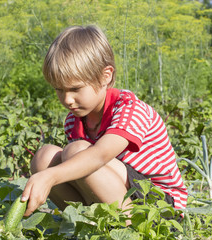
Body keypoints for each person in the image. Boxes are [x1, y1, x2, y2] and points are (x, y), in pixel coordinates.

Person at [21, 25, 188, 217]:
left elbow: (98, 156)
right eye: (59, 90)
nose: (67, 100)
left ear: (105, 76)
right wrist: (45, 172)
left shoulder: (129, 109)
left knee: (76, 152)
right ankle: (87, 223)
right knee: (45, 157)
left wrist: (50, 176)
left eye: (75, 89)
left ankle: (130, 229)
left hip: (160, 205)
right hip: (118, 193)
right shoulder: (74, 120)